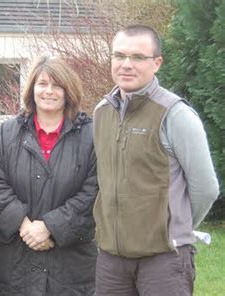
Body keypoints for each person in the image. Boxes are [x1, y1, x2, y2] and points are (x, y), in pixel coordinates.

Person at [93, 24, 220, 296]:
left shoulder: (175, 115)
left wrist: (174, 227)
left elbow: (206, 189)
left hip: (164, 258)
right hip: (111, 260)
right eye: (119, 56)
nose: (126, 64)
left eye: (138, 57)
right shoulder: (102, 112)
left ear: (157, 63)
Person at [0, 55, 98, 295]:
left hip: (69, 264)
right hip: (13, 261)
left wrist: (51, 227)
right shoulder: (7, 133)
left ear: (69, 91)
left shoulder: (90, 136)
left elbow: (94, 190)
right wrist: (25, 227)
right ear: (32, 88)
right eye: (42, 84)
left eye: (57, 85)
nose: (49, 91)